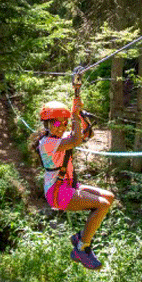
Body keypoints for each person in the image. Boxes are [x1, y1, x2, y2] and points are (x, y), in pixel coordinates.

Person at [31, 75, 115, 270]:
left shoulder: (61, 137)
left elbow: (86, 134)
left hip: (69, 186)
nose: (61, 127)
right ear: (48, 124)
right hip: (57, 192)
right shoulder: (48, 143)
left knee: (109, 198)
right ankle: (82, 247)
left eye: (64, 123)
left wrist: (81, 115)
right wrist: (74, 116)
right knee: (101, 205)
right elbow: (76, 139)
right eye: (57, 123)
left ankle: (80, 238)